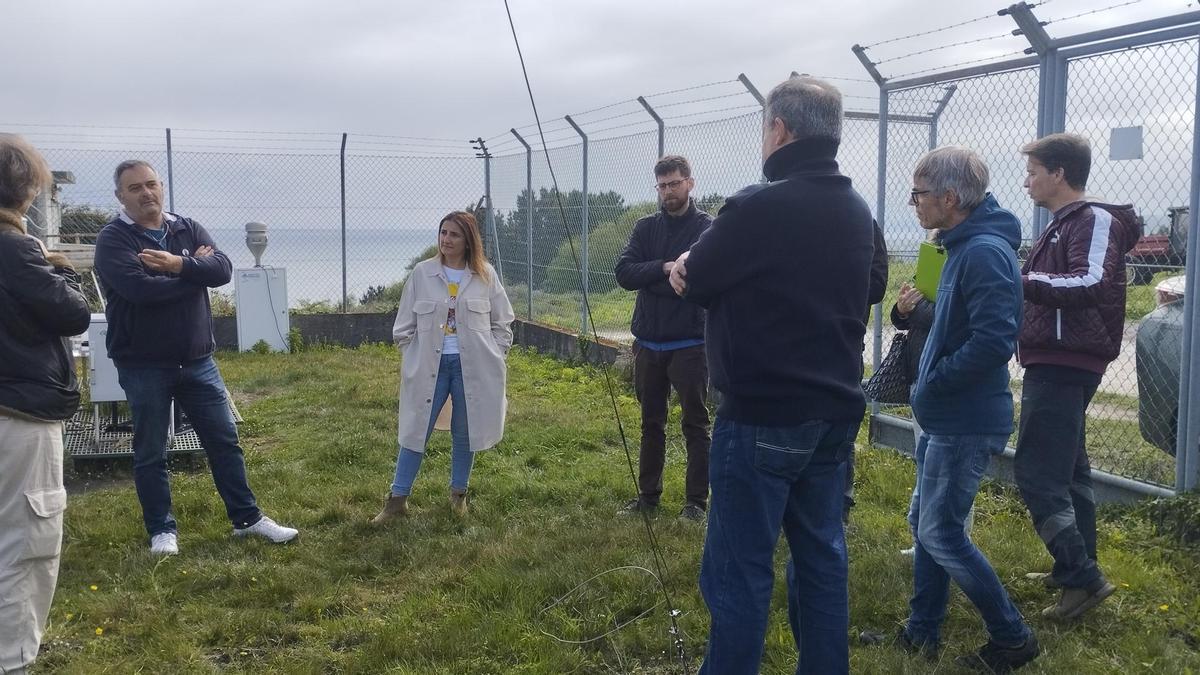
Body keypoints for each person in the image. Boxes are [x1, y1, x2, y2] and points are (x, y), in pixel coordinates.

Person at [669, 75, 875, 675]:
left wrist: (684, 265)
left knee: (738, 573)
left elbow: (697, 277)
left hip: (761, 416)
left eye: (765, 127)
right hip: (834, 414)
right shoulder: (856, 209)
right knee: (821, 561)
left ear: (779, 130)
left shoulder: (757, 205)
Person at [94, 160, 298, 555]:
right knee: (151, 450)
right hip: (143, 364)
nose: (146, 193)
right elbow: (139, 291)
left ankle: (247, 520)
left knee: (224, 441)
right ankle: (161, 531)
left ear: (162, 187)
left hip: (198, 361)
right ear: (121, 196)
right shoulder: (114, 239)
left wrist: (175, 265)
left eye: (151, 184)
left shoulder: (185, 227)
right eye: (135, 188)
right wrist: (193, 275)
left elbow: (221, 269)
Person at [897, 146, 1038, 672]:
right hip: (946, 414)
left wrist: (934, 384)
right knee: (925, 522)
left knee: (941, 531)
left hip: (965, 418)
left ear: (950, 198)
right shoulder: (960, 246)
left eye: (919, 194)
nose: (914, 203)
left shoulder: (982, 252)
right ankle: (922, 631)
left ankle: (1012, 638)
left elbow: (994, 340)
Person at [1014, 133, 1139, 619]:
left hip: (1067, 361)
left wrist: (1015, 278)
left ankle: (1082, 578)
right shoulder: (1061, 224)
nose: (1028, 180)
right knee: (1068, 470)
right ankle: (1072, 567)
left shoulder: (1094, 220)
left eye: (1033, 171)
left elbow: (1091, 282)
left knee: (1037, 473)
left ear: (1059, 173)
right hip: (1054, 357)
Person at [0, 134, 91, 675]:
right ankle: (12, 661)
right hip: (18, 415)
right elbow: (72, 313)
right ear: (29, 189)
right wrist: (59, 268)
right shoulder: (14, 248)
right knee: (25, 545)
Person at [374, 211, 515, 522]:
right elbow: (404, 327)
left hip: (473, 368)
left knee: (465, 431)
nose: (446, 240)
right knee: (416, 429)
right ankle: (397, 500)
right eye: (443, 233)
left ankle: (458, 495)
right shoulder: (422, 274)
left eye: (454, 234)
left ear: (468, 241)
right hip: (429, 366)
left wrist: (496, 352)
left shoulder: (485, 275)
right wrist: (412, 353)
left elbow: (503, 321)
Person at [613, 155, 712, 522]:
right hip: (648, 343)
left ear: (690, 182)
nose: (668, 191)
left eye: (674, 183)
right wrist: (667, 268)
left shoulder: (706, 229)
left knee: (695, 423)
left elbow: (697, 282)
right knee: (650, 423)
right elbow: (624, 273)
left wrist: (653, 280)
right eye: (662, 185)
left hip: (688, 343)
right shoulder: (645, 228)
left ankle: (695, 503)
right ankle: (648, 496)